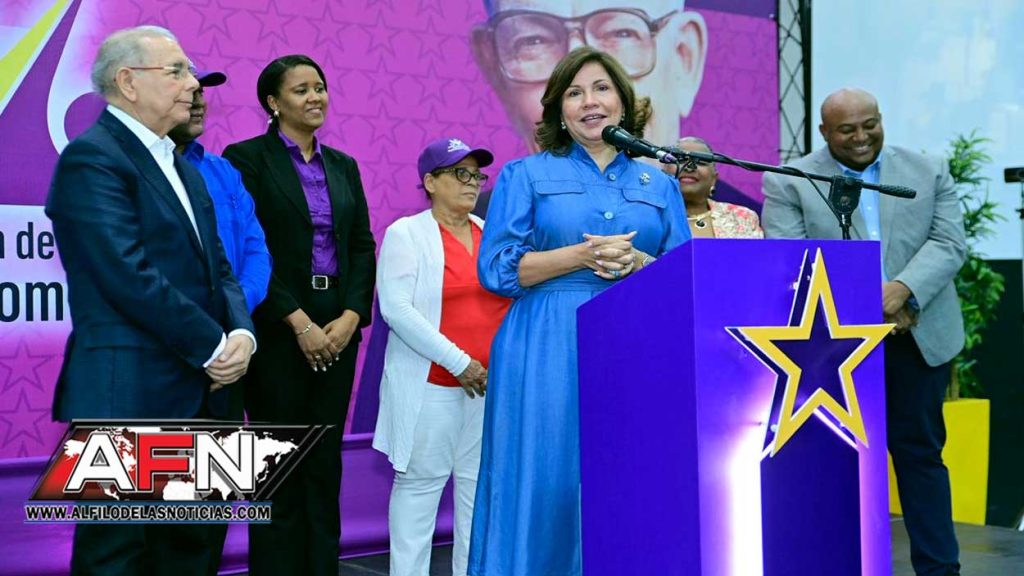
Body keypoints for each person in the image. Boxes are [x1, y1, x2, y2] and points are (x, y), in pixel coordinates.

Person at [468, 47, 691, 576]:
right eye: (574, 93)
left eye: (601, 88)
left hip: (636, 343)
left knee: (629, 473)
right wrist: (580, 256)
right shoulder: (524, 175)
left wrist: (639, 262)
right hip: (545, 341)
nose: (590, 102)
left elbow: (683, 277)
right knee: (544, 476)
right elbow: (496, 269)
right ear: (558, 111)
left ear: (623, 103)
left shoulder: (660, 184)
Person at [45, 25, 255, 575]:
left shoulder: (184, 167)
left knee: (192, 552)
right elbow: (125, 273)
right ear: (128, 82)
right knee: (117, 557)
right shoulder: (92, 159)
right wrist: (215, 346)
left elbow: (219, 267)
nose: (194, 84)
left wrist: (242, 333)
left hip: (204, 395)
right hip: (128, 394)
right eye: (177, 71)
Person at [762, 88, 964, 576]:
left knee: (921, 456)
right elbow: (792, 257)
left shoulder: (928, 169)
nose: (861, 137)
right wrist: (869, 304)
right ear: (824, 132)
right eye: (846, 130)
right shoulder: (791, 181)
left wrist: (903, 290)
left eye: (869, 125)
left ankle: (940, 570)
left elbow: (948, 243)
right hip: (832, 349)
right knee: (837, 462)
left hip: (917, 336)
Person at [222, 55, 376, 576]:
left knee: (324, 464)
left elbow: (361, 246)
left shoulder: (343, 165)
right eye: (301, 90)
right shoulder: (246, 159)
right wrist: (298, 321)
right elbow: (249, 248)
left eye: (320, 87)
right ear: (273, 102)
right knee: (277, 466)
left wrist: (352, 314)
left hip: (338, 327)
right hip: (277, 327)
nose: (315, 97)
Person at [374, 137, 510, 576]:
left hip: (488, 386)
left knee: (476, 491)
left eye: (477, 175)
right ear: (430, 182)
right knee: (419, 489)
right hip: (432, 385)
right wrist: (460, 362)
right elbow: (397, 310)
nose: (472, 183)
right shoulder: (406, 233)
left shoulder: (491, 233)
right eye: (460, 173)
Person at [471, 0, 707, 155]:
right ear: (492, 68)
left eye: (621, 34)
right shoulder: (515, 188)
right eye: (534, 41)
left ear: (685, 56)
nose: (578, 71)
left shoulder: (666, 193)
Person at [664, 136, 763, 238]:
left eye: (700, 162)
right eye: (681, 160)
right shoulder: (653, 215)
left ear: (714, 179)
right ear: (663, 173)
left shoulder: (742, 218)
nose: (689, 167)